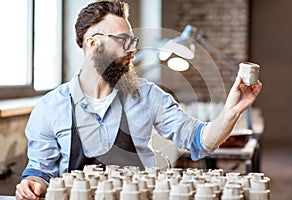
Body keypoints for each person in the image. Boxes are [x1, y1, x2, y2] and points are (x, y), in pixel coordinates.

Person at [15, 0, 262, 199]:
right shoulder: (50, 108)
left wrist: (232, 111)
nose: (133, 49)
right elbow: (40, 172)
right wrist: (31, 185)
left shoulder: (148, 96)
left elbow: (197, 140)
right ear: (93, 43)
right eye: (124, 41)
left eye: (133, 41)